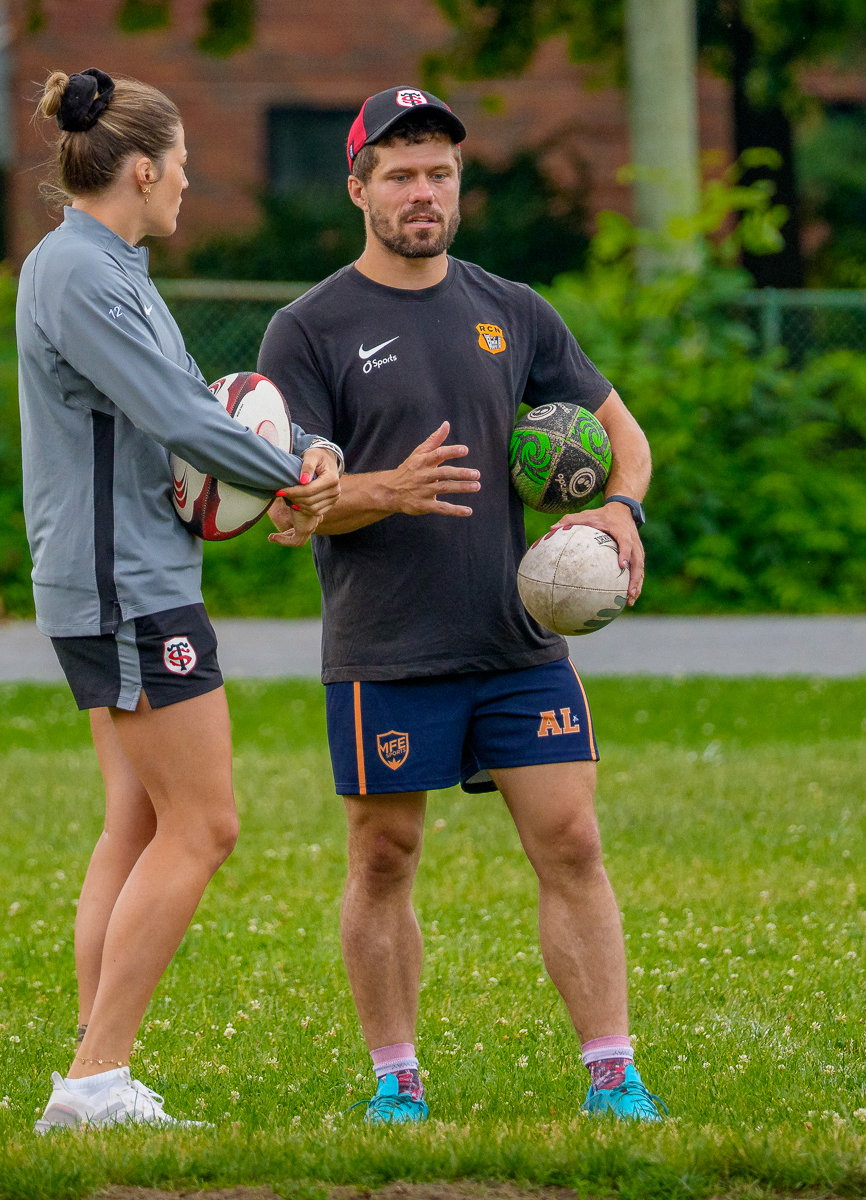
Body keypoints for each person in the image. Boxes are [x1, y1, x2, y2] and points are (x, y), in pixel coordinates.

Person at [255, 86, 660, 1123]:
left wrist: (620, 511)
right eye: (399, 175)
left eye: (439, 173)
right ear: (358, 189)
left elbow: (626, 435)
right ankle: (397, 1080)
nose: (422, 192)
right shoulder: (309, 330)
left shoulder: (512, 310)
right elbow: (292, 502)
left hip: (517, 638)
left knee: (572, 842)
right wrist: (384, 489)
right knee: (384, 855)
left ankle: (612, 1076)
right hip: (385, 645)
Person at [16, 67, 342, 1131]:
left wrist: (300, 454)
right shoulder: (78, 272)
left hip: (128, 577)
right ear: (143, 167)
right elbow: (176, 416)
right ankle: (95, 1079)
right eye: (185, 167)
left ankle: (90, 1081)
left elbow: (210, 409)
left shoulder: (116, 269)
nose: (190, 186)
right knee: (204, 825)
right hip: (128, 589)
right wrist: (300, 481)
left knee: (138, 821)